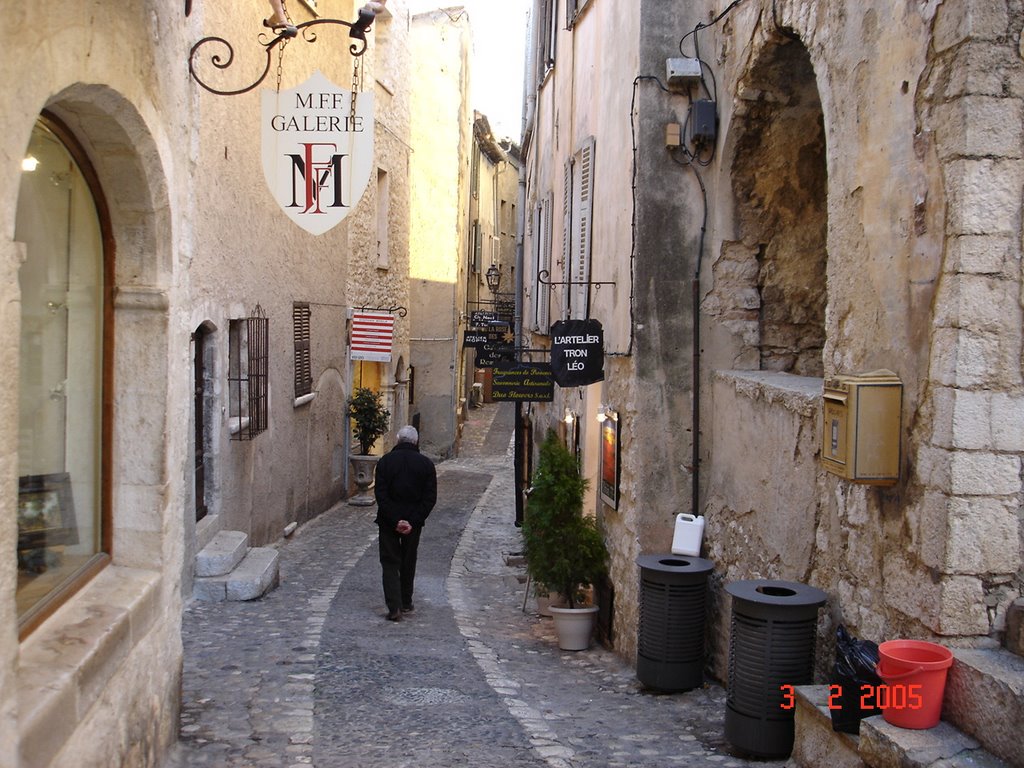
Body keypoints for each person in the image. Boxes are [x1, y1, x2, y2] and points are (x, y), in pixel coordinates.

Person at [373, 425, 437, 622]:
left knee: (390, 562)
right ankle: (406, 601)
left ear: (398, 440)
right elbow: (429, 498)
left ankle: (394, 607)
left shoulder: (385, 462)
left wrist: (395, 520)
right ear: (416, 442)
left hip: (388, 522)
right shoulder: (426, 465)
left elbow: (381, 495)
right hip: (413, 523)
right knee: (409, 561)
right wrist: (412, 521)